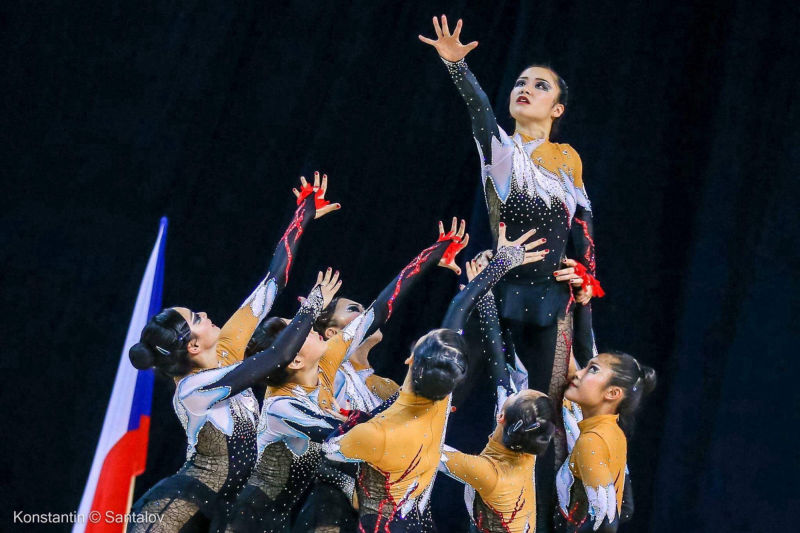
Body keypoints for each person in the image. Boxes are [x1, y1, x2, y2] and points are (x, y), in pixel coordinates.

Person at [215, 219, 470, 533]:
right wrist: (412, 398)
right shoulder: (282, 406)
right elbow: (343, 435)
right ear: (294, 359)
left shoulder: (325, 363)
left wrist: (432, 253)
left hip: (288, 515)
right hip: (249, 518)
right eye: (299, 331)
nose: (308, 328)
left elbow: (379, 310)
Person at [126, 174, 340, 532]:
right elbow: (276, 357)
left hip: (221, 512)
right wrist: (313, 305)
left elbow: (274, 280)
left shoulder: (226, 349)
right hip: (176, 513)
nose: (205, 314)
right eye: (196, 319)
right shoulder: (193, 390)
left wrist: (302, 215)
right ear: (193, 346)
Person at [324, 226, 547, 532]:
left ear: (410, 360)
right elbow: (461, 316)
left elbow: (329, 450)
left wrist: (497, 264)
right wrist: (495, 270)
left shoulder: (378, 430)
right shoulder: (439, 404)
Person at [438, 259, 557, 533]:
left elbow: (425, 449)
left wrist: (470, 295)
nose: (515, 386)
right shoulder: (526, 447)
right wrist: (487, 292)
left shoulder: (489, 472)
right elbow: (498, 363)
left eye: (519, 392)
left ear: (501, 416)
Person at [554, 352, 655, 532]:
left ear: (612, 393)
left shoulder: (591, 441)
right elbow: (625, 507)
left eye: (593, 369)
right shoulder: (615, 434)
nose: (577, 373)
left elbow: (607, 523)